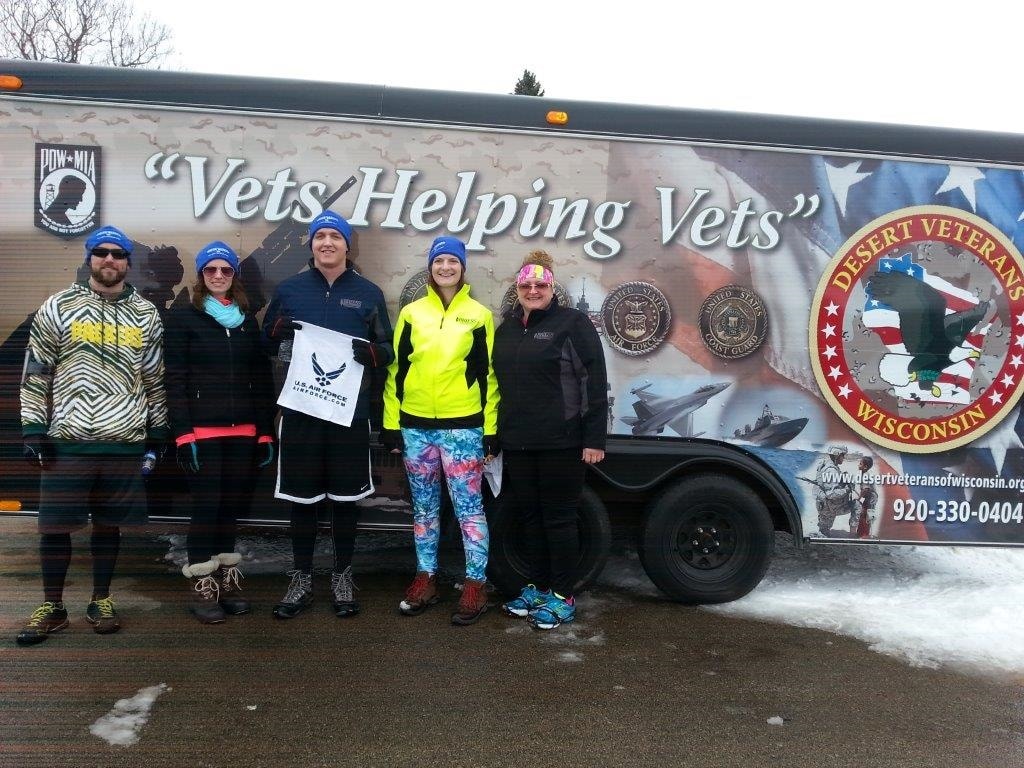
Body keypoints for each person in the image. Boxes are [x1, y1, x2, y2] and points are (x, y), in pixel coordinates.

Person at [16, 225, 169, 645]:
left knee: (108, 527)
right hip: (68, 440)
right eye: (100, 252)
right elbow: (35, 373)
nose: (109, 260)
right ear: (88, 259)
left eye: (117, 254)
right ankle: (53, 606)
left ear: (127, 264)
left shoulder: (146, 314)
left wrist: (157, 431)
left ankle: (101, 599)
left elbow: (154, 378)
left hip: (123, 442)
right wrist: (32, 427)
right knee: (55, 529)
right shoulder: (58, 306)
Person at [263, 210, 394, 620]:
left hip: (348, 416)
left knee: (344, 501)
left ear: (347, 245)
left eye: (334, 236)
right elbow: (266, 343)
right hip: (301, 412)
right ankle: (301, 578)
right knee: (301, 502)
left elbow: (387, 349)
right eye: (319, 236)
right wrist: (275, 333)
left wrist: (374, 355)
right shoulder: (289, 289)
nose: (327, 243)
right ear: (311, 245)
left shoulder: (368, 293)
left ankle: (342, 576)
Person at [382, 236, 499, 625]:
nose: (445, 267)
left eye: (452, 261)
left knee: (469, 510)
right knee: (425, 510)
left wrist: (490, 428)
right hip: (416, 428)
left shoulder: (478, 315)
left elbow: (490, 376)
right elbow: (397, 369)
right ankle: (426, 577)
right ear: (430, 267)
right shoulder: (412, 312)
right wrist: (392, 422)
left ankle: (475, 584)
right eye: (439, 261)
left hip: (463, 428)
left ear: (462, 268)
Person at [492, 250, 608, 631]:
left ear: (551, 286)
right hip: (519, 443)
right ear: (518, 287)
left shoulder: (572, 323)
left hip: (562, 442)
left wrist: (593, 438)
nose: (533, 290)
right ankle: (538, 587)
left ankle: (562, 595)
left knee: (559, 521)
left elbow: (593, 379)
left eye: (540, 284)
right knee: (530, 518)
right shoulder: (507, 328)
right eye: (526, 284)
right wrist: (496, 437)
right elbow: (499, 386)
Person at [164, 241, 275, 624]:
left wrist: (264, 431)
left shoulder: (246, 319)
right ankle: (202, 582)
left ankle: (226, 579)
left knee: (230, 507)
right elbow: (174, 380)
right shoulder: (184, 318)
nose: (218, 276)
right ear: (201, 276)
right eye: (210, 270)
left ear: (234, 276)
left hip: (243, 432)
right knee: (206, 508)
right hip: (202, 433)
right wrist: (183, 434)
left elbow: (260, 379)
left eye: (225, 270)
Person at [814, 445, 853, 537]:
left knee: (824, 529)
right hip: (829, 506)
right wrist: (847, 489)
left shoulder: (826, 464)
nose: (844, 458)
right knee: (857, 505)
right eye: (843, 455)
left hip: (823, 504)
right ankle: (854, 534)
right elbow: (831, 494)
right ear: (837, 455)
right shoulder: (831, 470)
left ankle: (823, 533)